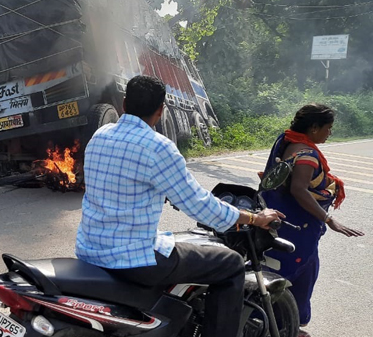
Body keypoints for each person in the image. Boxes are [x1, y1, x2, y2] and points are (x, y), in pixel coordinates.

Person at [75, 75, 284, 337]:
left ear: (124, 104)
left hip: (90, 249)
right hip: (134, 259)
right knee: (230, 263)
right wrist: (252, 218)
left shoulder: (100, 135)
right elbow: (198, 204)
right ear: (161, 110)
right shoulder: (158, 147)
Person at [260, 104, 364, 337]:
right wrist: (329, 219)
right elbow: (299, 190)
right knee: (297, 274)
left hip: (279, 223)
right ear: (314, 127)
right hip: (298, 229)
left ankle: (282, 325)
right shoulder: (306, 155)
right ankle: (283, 327)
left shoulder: (286, 141)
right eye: (328, 128)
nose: (329, 133)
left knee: (276, 271)